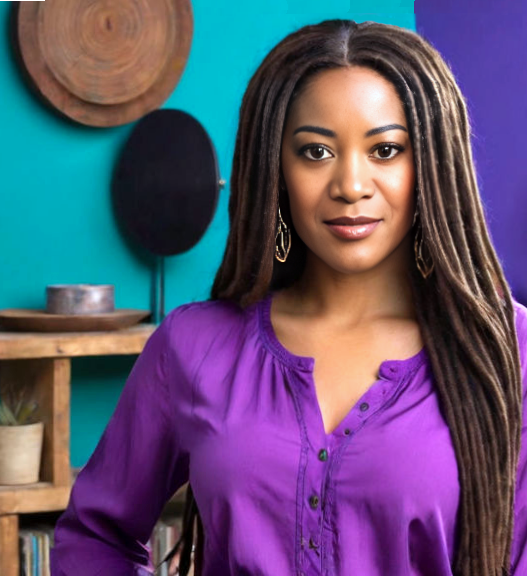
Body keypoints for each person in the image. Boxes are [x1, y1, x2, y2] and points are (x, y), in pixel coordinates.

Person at [50, 19, 527, 576]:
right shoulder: (195, 346)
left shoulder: (507, 351)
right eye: (316, 152)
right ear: (276, 169)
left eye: (386, 149)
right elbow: (95, 536)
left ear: (431, 167)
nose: (350, 184)